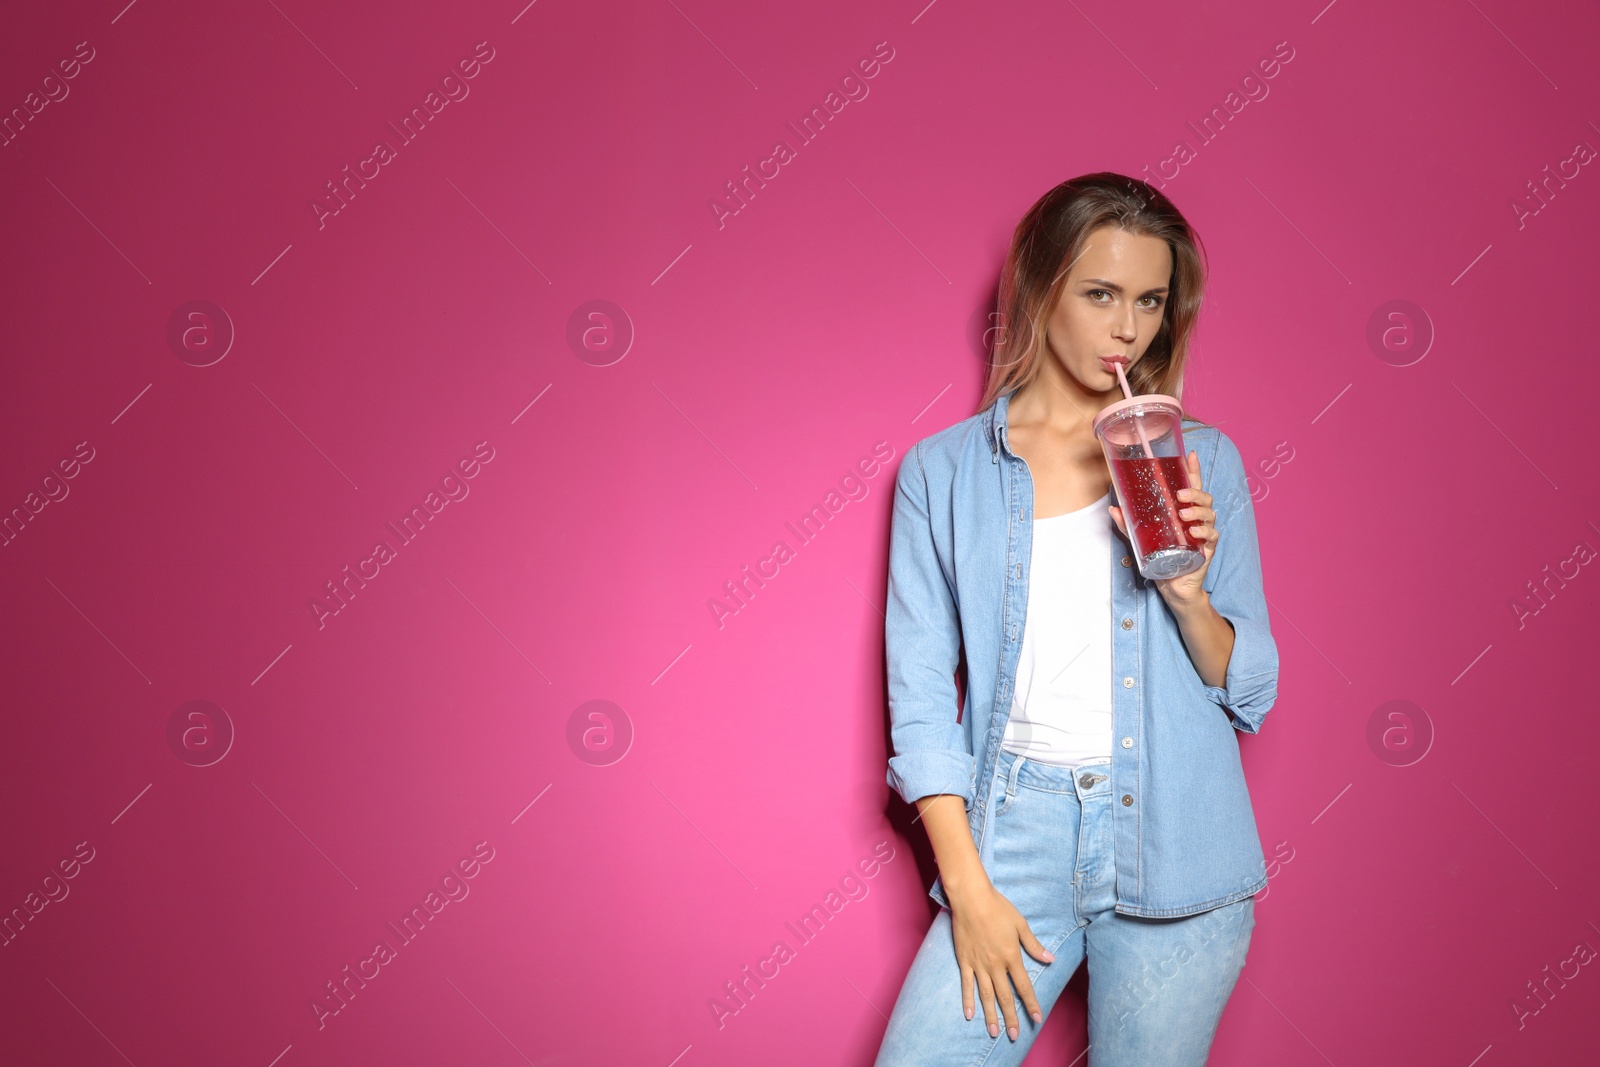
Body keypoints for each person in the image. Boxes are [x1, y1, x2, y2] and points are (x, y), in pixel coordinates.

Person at [873, 172, 1280, 1066]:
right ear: (1039, 286)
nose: (1128, 328)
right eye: (1101, 294)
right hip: (1015, 829)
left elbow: (1249, 688)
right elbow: (919, 698)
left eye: (1150, 300)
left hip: (1181, 840)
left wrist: (1183, 585)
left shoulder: (1202, 460)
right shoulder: (944, 474)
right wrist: (967, 884)